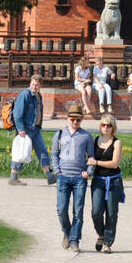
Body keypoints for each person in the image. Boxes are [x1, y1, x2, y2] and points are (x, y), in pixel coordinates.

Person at [51, 104, 94, 252]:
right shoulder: (59, 134)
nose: (75, 122)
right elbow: (54, 154)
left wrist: (88, 171)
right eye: (73, 119)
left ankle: (75, 240)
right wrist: (57, 171)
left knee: (78, 210)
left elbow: (91, 157)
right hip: (63, 177)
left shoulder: (86, 136)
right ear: (67, 118)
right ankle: (67, 232)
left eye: (78, 119)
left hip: (79, 178)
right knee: (61, 209)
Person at [9, 74, 57, 186]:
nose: (34, 87)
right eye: (32, 84)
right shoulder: (25, 95)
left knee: (43, 152)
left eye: (36, 85)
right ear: (30, 83)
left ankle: (50, 176)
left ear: (40, 86)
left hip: (35, 129)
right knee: (22, 152)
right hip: (26, 129)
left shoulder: (38, 95)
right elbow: (17, 113)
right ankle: (13, 177)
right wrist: (20, 129)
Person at [87, 113, 124, 253]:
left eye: (109, 125)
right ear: (100, 126)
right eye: (104, 125)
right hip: (98, 181)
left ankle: (108, 243)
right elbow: (87, 158)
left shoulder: (117, 142)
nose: (106, 127)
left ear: (113, 127)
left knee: (112, 213)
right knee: (96, 212)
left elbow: (115, 163)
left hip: (113, 181)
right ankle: (101, 234)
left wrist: (96, 162)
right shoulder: (95, 140)